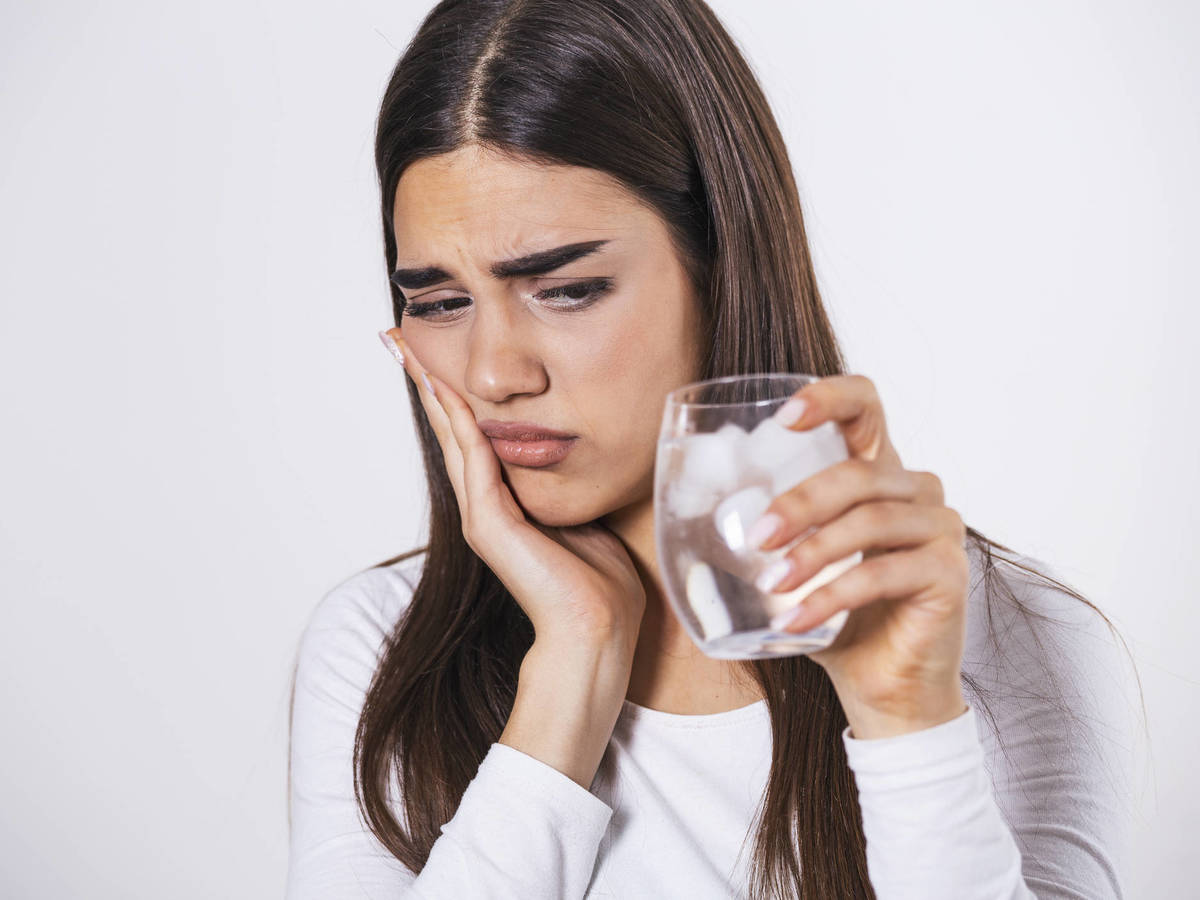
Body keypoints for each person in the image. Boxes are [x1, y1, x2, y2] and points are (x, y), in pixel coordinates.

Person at [285, 1, 1145, 896]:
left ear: (721, 264)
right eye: (437, 302)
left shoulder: (1013, 644)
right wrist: (570, 678)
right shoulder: (378, 650)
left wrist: (906, 722)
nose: (495, 373)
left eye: (569, 290)